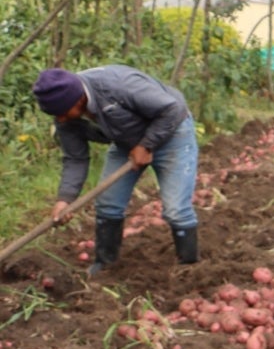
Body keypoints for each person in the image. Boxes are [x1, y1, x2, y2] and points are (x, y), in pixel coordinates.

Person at [32, 64, 199, 273]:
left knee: (176, 210)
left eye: (63, 113)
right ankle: (105, 265)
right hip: (126, 141)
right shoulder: (64, 117)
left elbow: (172, 109)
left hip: (173, 132)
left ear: (79, 99)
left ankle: (189, 269)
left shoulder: (119, 86)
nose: (60, 120)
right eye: (56, 115)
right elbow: (75, 159)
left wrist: (147, 144)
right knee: (108, 203)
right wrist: (65, 200)